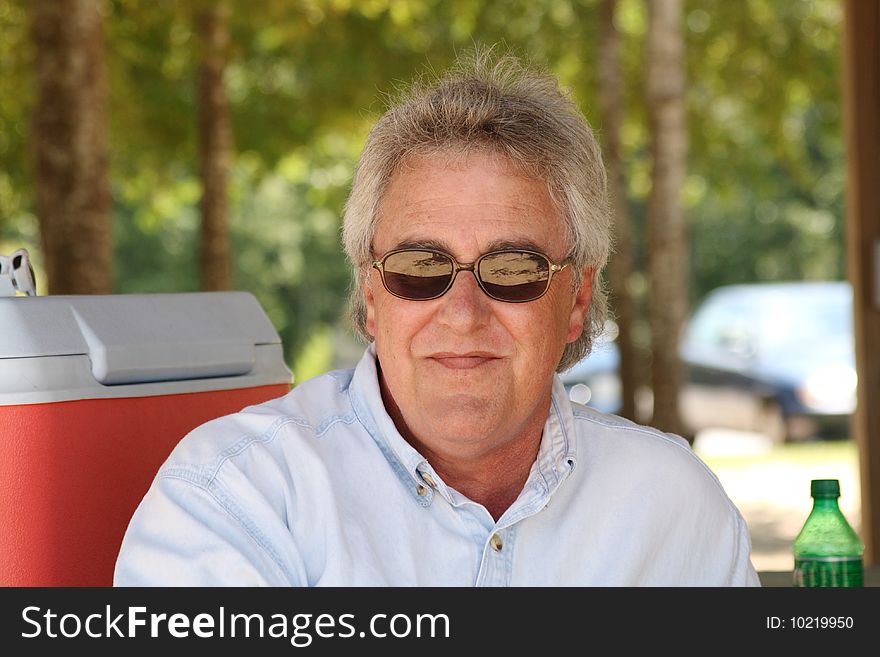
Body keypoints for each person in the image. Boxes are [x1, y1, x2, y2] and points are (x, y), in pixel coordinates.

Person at [114, 50, 760, 586]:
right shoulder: (237, 494)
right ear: (371, 295)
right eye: (420, 268)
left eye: (513, 269)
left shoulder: (675, 504)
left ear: (578, 301)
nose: (462, 312)